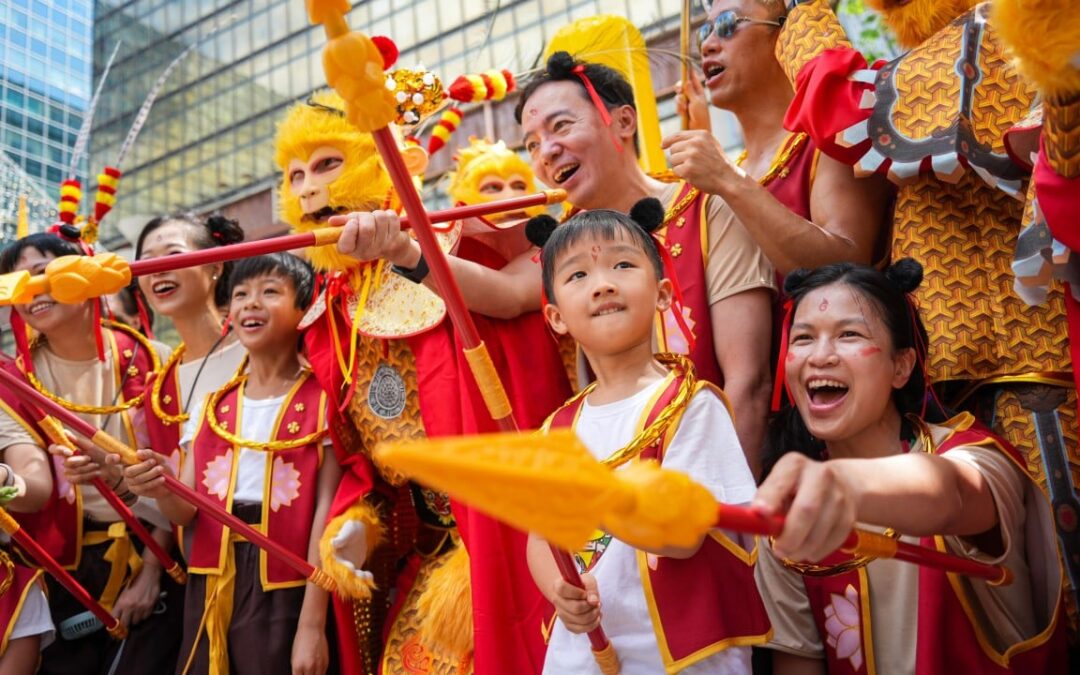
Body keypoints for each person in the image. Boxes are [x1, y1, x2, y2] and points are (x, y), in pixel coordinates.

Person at [285, 90, 570, 672]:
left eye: (327, 165)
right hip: (425, 546)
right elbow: (359, 456)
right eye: (294, 175)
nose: (308, 189)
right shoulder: (326, 313)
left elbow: (511, 299)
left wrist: (406, 250)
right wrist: (358, 522)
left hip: (504, 537)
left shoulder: (466, 246)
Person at [753, 259, 1067, 673]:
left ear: (901, 366)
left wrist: (839, 483)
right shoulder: (791, 517)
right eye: (804, 338)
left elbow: (949, 494)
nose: (820, 356)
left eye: (849, 334)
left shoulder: (975, 455)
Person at [525, 199, 769, 674]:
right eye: (578, 275)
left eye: (622, 265)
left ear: (662, 293)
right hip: (582, 658)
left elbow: (683, 533)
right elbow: (543, 537)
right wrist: (559, 589)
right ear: (556, 317)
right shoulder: (558, 429)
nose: (603, 284)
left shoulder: (692, 405)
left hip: (684, 661)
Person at [513, 51, 776, 473]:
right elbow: (501, 292)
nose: (547, 151)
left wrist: (729, 503)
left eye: (561, 126)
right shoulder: (563, 246)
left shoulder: (707, 207)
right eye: (531, 144)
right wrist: (410, 251)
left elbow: (748, 383)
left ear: (623, 121)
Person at [122, 253, 341, 675]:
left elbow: (326, 513)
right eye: (240, 295)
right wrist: (161, 486)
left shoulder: (322, 399)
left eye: (270, 292)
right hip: (210, 580)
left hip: (288, 581)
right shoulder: (211, 406)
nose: (250, 303)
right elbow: (185, 511)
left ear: (305, 309)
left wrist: (312, 624)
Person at [0, 231, 182, 674]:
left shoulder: (154, 359)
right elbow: (34, 485)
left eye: (43, 273)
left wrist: (152, 572)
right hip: (65, 568)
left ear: (87, 271)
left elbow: (179, 479)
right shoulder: (12, 382)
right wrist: (6, 483)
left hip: (159, 552)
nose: (32, 291)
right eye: (18, 281)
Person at [665, 0, 892, 275]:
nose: (708, 46)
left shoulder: (833, 137)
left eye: (727, 25)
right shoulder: (725, 171)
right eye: (705, 32)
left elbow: (847, 266)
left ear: (783, 33)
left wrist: (728, 179)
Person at [136, 213, 247, 474]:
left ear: (215, 267)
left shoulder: (262, 347)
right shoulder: (159, 389)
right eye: (146, 262)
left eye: (173, 254)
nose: (157, 270)